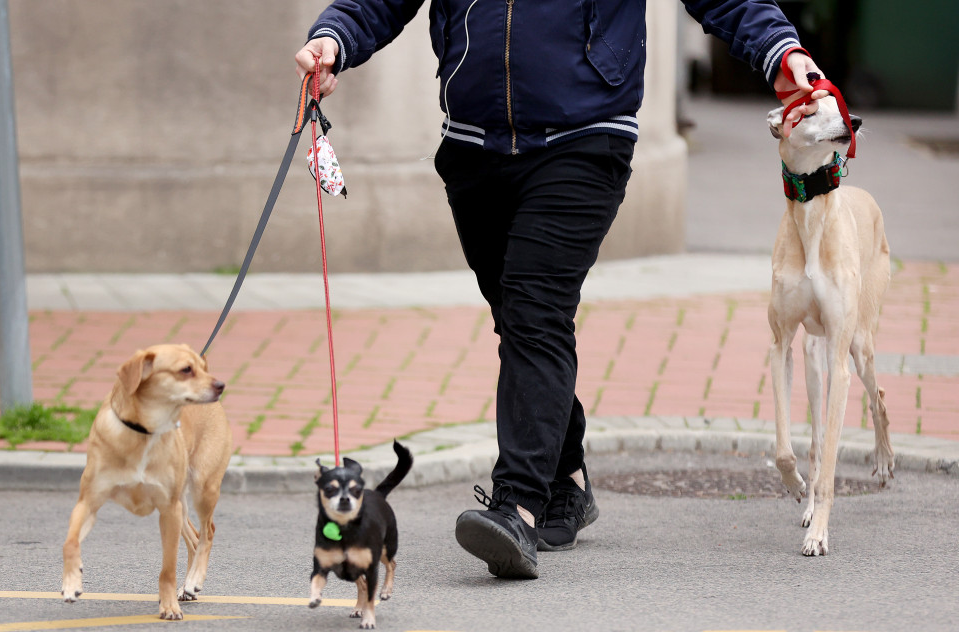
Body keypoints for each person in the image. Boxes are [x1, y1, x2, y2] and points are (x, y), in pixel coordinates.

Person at [295, 0, 825, 580]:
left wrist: (779, 48)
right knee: (518, 319)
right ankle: (565, 477)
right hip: (474, 147)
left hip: (585, 137)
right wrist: (337, 37)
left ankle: (516, 507)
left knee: (534, 311)